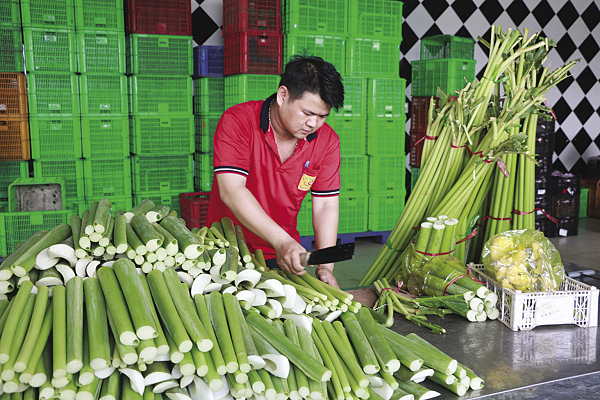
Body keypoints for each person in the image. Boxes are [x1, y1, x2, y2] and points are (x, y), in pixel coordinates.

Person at [205, 54, 345, 288]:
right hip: (224, 248)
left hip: (282, 255)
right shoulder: (238, 121)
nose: (314, 124)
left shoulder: (327, 141)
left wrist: (326, 264)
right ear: (283, 96)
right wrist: (282, 241)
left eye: (322, 116)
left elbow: (326, 204)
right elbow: (231, 191)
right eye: (308, 113)